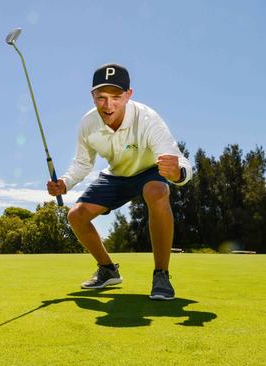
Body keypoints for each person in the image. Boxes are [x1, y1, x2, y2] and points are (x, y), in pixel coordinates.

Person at [47, 64, 191, 300]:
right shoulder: (87, 124)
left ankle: (161, 275)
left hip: (148, 171)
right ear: (92, 96)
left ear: (128, 95)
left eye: (116, 97)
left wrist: (178, 174)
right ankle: (108, 270)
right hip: (116, 175)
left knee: (157, 190)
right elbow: (83, 163)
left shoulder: (147, 118)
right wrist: (65, 183)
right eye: (101, 97)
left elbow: (180, 161)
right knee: (76, 216)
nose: (108, 105)